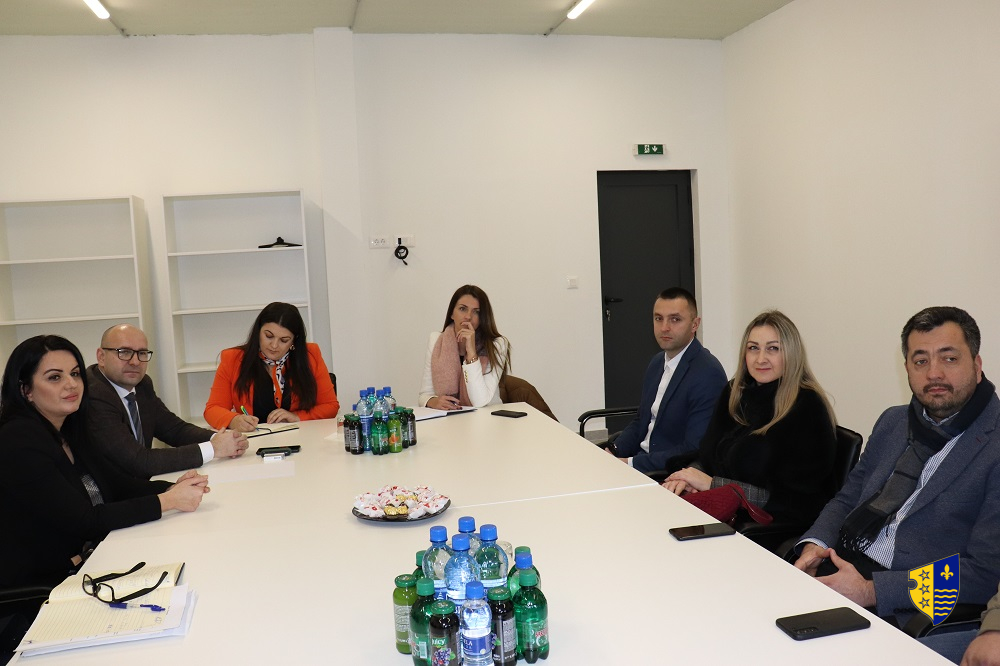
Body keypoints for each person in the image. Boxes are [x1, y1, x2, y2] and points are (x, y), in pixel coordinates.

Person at [794, 306, 1000, 624]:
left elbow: (983, 572)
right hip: (843, 563)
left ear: (977, 364)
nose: (934, 373)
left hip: (904, 604)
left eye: (949, 358)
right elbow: (848, 499)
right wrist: (814, 546)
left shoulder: (994, 443)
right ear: (906, 368)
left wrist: (872, 591)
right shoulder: (894, 421)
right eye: (921, 361)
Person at [0, 335, 210, 588]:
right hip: (40, 584)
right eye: (55, 377)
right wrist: (168, 501)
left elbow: (117, 485)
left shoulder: (70, 427)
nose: (71, 384)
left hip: (87, 560)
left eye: (75, 374)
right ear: (26, 391)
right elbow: (85, 521)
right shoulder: (18, 440)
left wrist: (172, 487)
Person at [661, 311, 838, 524]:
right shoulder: (736, 392)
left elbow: (794, 501)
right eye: (753, 348)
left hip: (765, 528)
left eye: (773, 348)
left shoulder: (807, 407)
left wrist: (712, 484)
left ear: (791, 353)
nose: (761, 359)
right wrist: (687, 476)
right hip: (723, 514)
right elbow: (708, 455)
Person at [86, 324, 248, 478]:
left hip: (137, 483)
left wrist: (221, 439)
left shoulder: (142, 384)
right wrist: (213, 448)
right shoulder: (94, 394)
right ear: (101, 357)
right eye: (124, 352)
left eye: (142, 353)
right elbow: (138, 460)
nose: (135, 362)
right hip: (113, 492)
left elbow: (174, 430)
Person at [605, 288, 727, 474]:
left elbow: (693, 448)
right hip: (640, 460)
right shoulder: (656, 363)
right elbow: (641, 420)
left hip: (666, 473)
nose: (664, 328)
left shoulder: (708, 373)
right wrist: (614, 451)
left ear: (695, 324)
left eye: (675, 319)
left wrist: (630, 463)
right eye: (658, 318)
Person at [204, 302, 339, 431]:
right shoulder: (233, 359)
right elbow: (212, 409)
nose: (274, 345)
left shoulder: (310, 356)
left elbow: (330, 406)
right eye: (269, 336)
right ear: (258, 332)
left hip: (300, 438)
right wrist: (233, 420)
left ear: (294, 341)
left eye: (284, 340)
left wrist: (297, 417)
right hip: (253, 440)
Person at [419, 285, 511, 410]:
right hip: (450, 416)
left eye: (476, 312)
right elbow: (424, 395)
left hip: (486, 416)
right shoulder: (436, 340)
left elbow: (480, 401)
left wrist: (471, 353)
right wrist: (433, 401)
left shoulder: (497, 344)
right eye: (462, 309)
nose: (468, 316)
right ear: (452, 313)